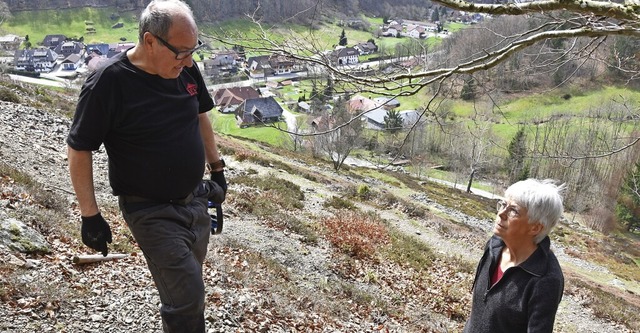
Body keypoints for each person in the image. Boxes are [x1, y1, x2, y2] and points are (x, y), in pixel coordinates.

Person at [66, 1, 226, 332]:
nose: (190, 61)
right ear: (150, 40)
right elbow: (79, 148)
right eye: (181, 52)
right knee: (188, 297)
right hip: (149, 210)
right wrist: (90, 215)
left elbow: (201, 117)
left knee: (188, 280)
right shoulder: (108, 83)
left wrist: (217, 170)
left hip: (194, 200)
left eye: (193, 51)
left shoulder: (184, 69)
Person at [463, 178, 565, 333]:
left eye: (513, 211)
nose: (501, 213)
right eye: (503, 204)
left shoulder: (546, 280)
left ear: (535, 228)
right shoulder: (494, 246)